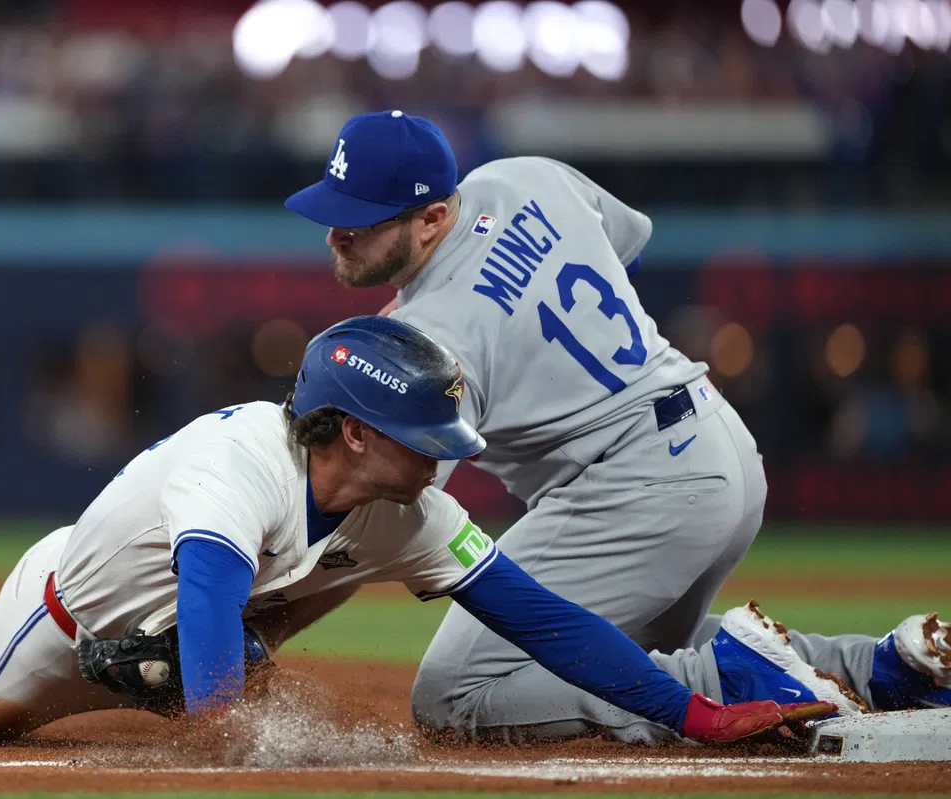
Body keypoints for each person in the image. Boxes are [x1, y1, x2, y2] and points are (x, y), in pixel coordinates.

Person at [0, 316, 833, 744]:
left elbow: (545, 621)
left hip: (181, 638)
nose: (444, 454)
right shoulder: (240, 464)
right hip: (67, 616)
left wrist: (691, 712)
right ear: (354, 429)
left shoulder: (408, 510)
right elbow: (208, 613)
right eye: (425, 434)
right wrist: (233, 735)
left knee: (232, 661)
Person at [283, 111, 951, 744]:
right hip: (716, 437)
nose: (335, 234)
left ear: (432, 218)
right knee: (620, 661)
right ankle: (884, 667)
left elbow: (386, 502)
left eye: (359, 221)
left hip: (632, 486)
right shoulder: (524, 176)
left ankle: (731, 676)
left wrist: (272, 616)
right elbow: (624, 246)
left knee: (455, 695)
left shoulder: (431, 339)